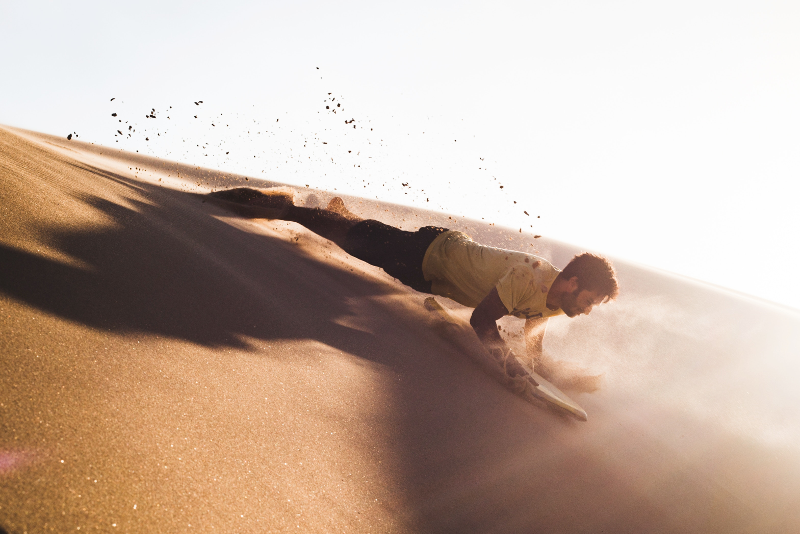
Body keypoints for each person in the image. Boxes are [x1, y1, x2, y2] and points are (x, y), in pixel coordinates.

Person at [205, 187, 619, 391]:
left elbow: (532, 331)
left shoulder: (554, 304)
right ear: (574, 282)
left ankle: (343, 216)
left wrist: (547, 371)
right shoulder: (530, 275)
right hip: (428, 252)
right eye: (589, 300)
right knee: (337, 234)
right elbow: (482, 319)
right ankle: (275, 204)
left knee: (357, 239)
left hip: (426, 273)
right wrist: (510, 367)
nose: (587, 310)